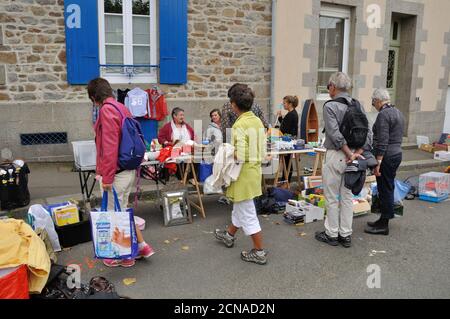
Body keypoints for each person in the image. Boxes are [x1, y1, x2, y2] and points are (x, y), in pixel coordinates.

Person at [87, 78, 154, 268]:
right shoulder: (121, 107)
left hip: (116, 173)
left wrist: (106, 177)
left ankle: (123, 256)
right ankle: (138, 248)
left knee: (113, 215)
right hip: (128, 169)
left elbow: (109, 147)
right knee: (122, 212)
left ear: (94, 97)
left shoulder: (106, 111)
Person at [315, 72, 372, 248]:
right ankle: (345, 234)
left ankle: (332, 233)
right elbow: (369, 134)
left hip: (337, 154)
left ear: (333, 86)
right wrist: (356, 153)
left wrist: (348, 153)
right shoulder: (358, 105)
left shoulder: (330, 106)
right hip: (355, 155)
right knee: (347, 196)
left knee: (332, 196)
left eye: (328, 86)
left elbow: (334, 134)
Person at [214, 85, 268, 265]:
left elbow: (242, 155)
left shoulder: (239, 124)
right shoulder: (257, 121)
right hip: (254, 172)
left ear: (234, 105)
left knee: (248, 214)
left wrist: (227, 151)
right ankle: (229, 235)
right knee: (240, 208)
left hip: (243, 175)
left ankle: (259, 252)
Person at [365, 88, 405, 235]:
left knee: (384, 189)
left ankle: (384, 224)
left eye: (373, 101)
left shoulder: (383, 115)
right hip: (396, 154)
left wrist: (378, 163)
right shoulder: (398, 112)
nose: (373, 104)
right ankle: (383, 219)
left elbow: (383, 141)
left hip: (386, 156)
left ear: (378, 100)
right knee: (387, 187)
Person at [276, 95, 300, 182]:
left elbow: (284, 128)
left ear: (290, 104)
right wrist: (280, 118)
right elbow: (285, 124)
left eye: (285, 103)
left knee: (287, 162)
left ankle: (286, 181)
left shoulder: (291, 115)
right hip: (289, 141)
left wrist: (280, 118)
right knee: (286, 162)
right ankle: (285, 180)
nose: (283, 105)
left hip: (288, 142)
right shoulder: (291, 114)